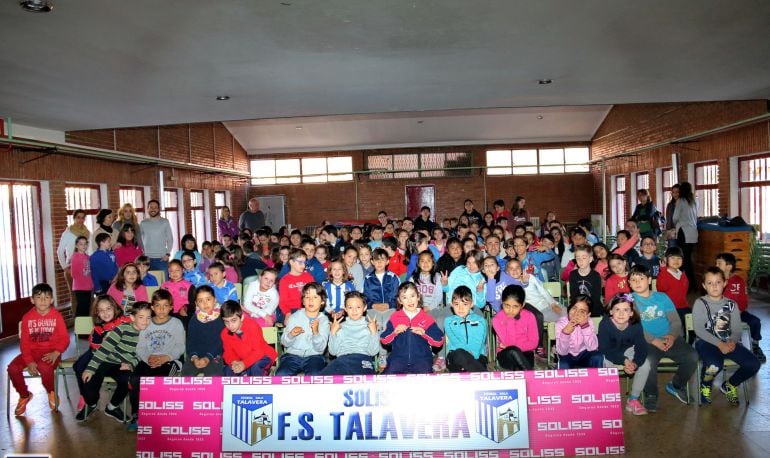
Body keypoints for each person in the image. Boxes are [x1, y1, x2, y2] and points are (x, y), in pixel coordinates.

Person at [630, 265, 697, 412]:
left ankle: (676, 385)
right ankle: (651, 394)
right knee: (648, 361)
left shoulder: (662, 297)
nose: (637, 282)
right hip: (646, 341)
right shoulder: (629, 301)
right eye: (633, 280)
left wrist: (672, 336)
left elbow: (675, 321)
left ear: (649, 280)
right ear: (629, 283)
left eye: (641, 278)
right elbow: (635, 327)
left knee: (692, 356)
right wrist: (654, 341)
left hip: (669, 338)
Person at [694, 266, 760, 406]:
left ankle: (730, 385)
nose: (714, 286)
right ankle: (706, 384)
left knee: (753, 364)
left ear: (725, 283)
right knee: (713, 365)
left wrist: (731, 342)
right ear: (704, 286)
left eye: (718, 282)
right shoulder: (700, 303)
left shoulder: (732, 304)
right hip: (706, 342)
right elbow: (699, 330)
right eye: (710, 283)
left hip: (729, 342)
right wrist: (719, 344)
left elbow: (736, 329)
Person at [79, 301, 152, 425]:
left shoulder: (148, 333)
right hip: (106, 361)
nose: (145, 321)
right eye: (141, 317)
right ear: (133, 318)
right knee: (89, 385)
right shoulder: (121, 329)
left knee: (127, 380)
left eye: (148, 317)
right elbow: (104, 349)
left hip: (122, 364)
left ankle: (112, 407)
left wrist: (131, 364)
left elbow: (142, 354)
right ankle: (91, 403)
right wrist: (90, 369)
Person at [8, 283, 69, 416]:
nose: (42, 301)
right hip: (31, 352)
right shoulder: (27, 318)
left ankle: (51, 392)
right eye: (39, 297)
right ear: (32, 300)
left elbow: (65, 338)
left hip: (52, 352)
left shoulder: (56, 316)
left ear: (52, 300)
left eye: (47, 297)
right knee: (12, 368)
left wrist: (56, 352)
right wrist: (29, 361)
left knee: (44, 367)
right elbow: (24, 343)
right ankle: (24, 395)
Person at [128, 289, 185, 429]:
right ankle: (137, 414)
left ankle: (159, 415)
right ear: (152, 307)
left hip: (170, 361)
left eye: (165, 306)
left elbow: (180, 347)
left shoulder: (176, 323)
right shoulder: (147, 323)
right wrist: (149, 359)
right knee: (135, 379)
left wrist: (166, 357)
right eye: (158, 306)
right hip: (149, 360)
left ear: (171, 307)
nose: (161, 309)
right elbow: (140, 347)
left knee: (159, 380)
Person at [73, 295, 131, 417]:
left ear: (115, 308)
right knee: (80, 367)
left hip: (119, 360)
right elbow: (93, 344)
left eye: (108, 308)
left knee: (128, 378)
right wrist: (104, 342)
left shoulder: (125, 321)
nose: (105, 313)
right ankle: (89, 401)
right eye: (101, 310)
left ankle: (112, 407)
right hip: (100, 356)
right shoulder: (98, 328)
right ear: (97, 313)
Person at [598, 293, 651, 415]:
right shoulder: (605, 324)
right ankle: (609, 400)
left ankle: (633, 399)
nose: (621, 314)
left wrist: (635, 363)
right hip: (610, 352)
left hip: (628, 349)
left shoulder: (636, 325)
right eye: (617, 309)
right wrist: (625, 360)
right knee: (605, 366)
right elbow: (605, 349)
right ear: (611, 311)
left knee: (645, 364)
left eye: (626, 310)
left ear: (631, 313)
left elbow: (641, 347)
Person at [380, 283, 444, 374]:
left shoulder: (427, 318)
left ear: (418, 297)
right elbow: (383, 339)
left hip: (422, 360)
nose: (410, 300)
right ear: (400, 300)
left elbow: (439, 341)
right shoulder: (395, 317)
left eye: (412, 296)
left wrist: (424, 333)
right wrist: (394, 332)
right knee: (385, 380)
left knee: (428, 383)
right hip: (398, 360)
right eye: (405, 297)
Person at [717, 252, 765, 362]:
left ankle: (755, 345)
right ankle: (729, 346)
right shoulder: (716, 280)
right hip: (722, 313)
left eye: (719, 263)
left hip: (739, 312)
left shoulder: (739, 281)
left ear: (729, 266)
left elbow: (744, 301)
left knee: (755, 321)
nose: (716, 265)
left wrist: (739, 310)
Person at [322, 291, 381, 375]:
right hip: (342, 359)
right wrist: (333, 333)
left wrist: (373, 332)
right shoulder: (339, 327)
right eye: (350, 307)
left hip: (363, 359)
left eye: (358, 307)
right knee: (322, 378)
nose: (354, 311)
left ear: (364, 308)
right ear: (345, 309)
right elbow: (333, 352)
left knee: (365, 381)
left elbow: (373, 352)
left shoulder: (370, 326)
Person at [276, 283, 330, 375]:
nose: (311, 301)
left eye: (315, 297)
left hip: (314, 356)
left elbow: (321, 348)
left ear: (322, 301)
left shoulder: (324, 321)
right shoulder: (294, 317)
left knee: (316, 375)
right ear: (303, 301)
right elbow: (284, 343)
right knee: (281, 374)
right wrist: (291, 335)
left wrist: (316, 333)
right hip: (292, 356)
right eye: (307, 297)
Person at [222, 300, 278, 376]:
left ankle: (263, 376)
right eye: (226, 322)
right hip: (244, 359)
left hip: (263, 355)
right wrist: (234, 362)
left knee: (255, 366)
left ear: (241, 317)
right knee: (228, 370)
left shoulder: (252, 326)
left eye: (233, 320)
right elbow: (228, 353)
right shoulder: (224, 333)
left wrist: (244, 364)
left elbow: (258, 351)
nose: (230, 325)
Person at [181, 285, 225, 377]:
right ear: (196, 303)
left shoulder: (221, 318)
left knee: (214, 375)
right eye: (201, 301)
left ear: (215, 300)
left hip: (214, 356)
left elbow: (220, 342)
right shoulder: (194, 318)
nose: (205, 303)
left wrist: (208, 357)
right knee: (186, 374)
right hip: (195, 356)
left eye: (208, 299)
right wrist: (194, 357)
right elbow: (190, 340)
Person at [493, 284, 537, 370]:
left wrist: (517, 347)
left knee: (518, 366)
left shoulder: (530, 316)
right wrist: (510, 320)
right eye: (507, 305)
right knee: (513, 351)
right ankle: (532, 377)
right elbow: (509, 343)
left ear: (522, 305)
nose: (510, 310)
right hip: (506, 354)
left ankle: (529, 378)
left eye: (515, 306)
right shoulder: (497, 319)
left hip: (526, 352)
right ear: (502, 302)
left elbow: (534, 343)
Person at [444, 286, 488, 372]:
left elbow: (480, 340)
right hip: (456, 355)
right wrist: (467, 353)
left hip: (477, 354)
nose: (460, 308)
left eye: (465, 304)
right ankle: (483, 374)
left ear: (471, 304)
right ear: (452, 304)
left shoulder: (480, 320)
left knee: (478, 361)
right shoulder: (448, 321)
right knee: (459, 354)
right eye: (456, 304)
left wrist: (473, 354)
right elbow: (454, 340)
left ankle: (477, 373)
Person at [555, 295, 603, 369]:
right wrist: (565, 333)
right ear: (569, 307)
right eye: (574, 308)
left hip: (584, 353)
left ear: (588, 315)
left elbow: (593, 348)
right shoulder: (560, 323)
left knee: (598, 357)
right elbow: (562, 352)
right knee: (563, 364)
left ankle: (596, 380)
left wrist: (585, 326)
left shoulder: (589, 322)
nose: (576, 313)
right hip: (567, 354)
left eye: (582, 311)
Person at [58, 209, 91, 313]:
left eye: (83, 217)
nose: (80, 220)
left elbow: (89, 251)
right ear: (74, 218)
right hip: (73, 268)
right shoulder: (68, 232)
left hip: (86, 269)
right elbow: (60, 251)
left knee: (88, 299)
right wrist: (65, 266)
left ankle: (87, 325)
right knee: (76, 298)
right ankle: (79, 325)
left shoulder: (87, 232)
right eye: (78, 217)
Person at [655, 247, 690, 332]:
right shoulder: (663, 274)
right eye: (672, 258)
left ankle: (690, 339)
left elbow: (685, 290)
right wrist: (663, 271)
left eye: (679, 258)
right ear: (666, 259)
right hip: (669, 307)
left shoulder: (682, 274)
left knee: (692, 320)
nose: (676, 260)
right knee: (677, 326)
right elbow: (661, 288)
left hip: (683, 306)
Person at [671, 182, 698, 292]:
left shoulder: (680, 201)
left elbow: (675, 218)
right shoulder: (694, 200)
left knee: (683, 259)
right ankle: (692, 284)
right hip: (693, 233)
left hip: (684, 232)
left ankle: (688, 285)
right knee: (688, 259)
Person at [278, 249, 315, 324]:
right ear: (291, 262)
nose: (304, 265)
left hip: (307, 308)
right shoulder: (284, 280)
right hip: (291, 310)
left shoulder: (309, 277)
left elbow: (314, 294)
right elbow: (283, 302)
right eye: (300, 262)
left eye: (305, 262)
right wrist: (287, 313)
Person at [568, 245, 603, 317]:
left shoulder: (596, 276)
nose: (580, 261)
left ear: (590, 259)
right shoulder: (573, 275)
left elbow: (596, 298)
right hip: (578, 307)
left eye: (584, 258)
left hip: (594, 309)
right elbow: (574, 296)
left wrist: (588, 314)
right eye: (578, 258)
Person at [140, 199, 174, 272]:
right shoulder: (143, 223)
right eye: (151, 207)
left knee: (164, 281)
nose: (153, 209)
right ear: (147, 209)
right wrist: (141, 252)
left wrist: (168, 254)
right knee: (148, 282)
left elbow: (170, 239)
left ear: (159, 209)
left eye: (155, 207)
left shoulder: (165, 222)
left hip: (162, 258)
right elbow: (138, 239)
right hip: (147, 259)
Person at [71, 235, 94, 317]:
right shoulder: (75, 257)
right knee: (82, 309)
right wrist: (83, 281)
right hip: (80, 288)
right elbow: (73, 273)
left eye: (85, 244)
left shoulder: (87, 257)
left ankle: (85, 327)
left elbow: (89, 273)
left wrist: (91, 285)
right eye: (81, 244)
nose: (84, 246)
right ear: (76, 245)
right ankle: (80, 328)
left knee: (86, 308)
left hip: (87, 287)